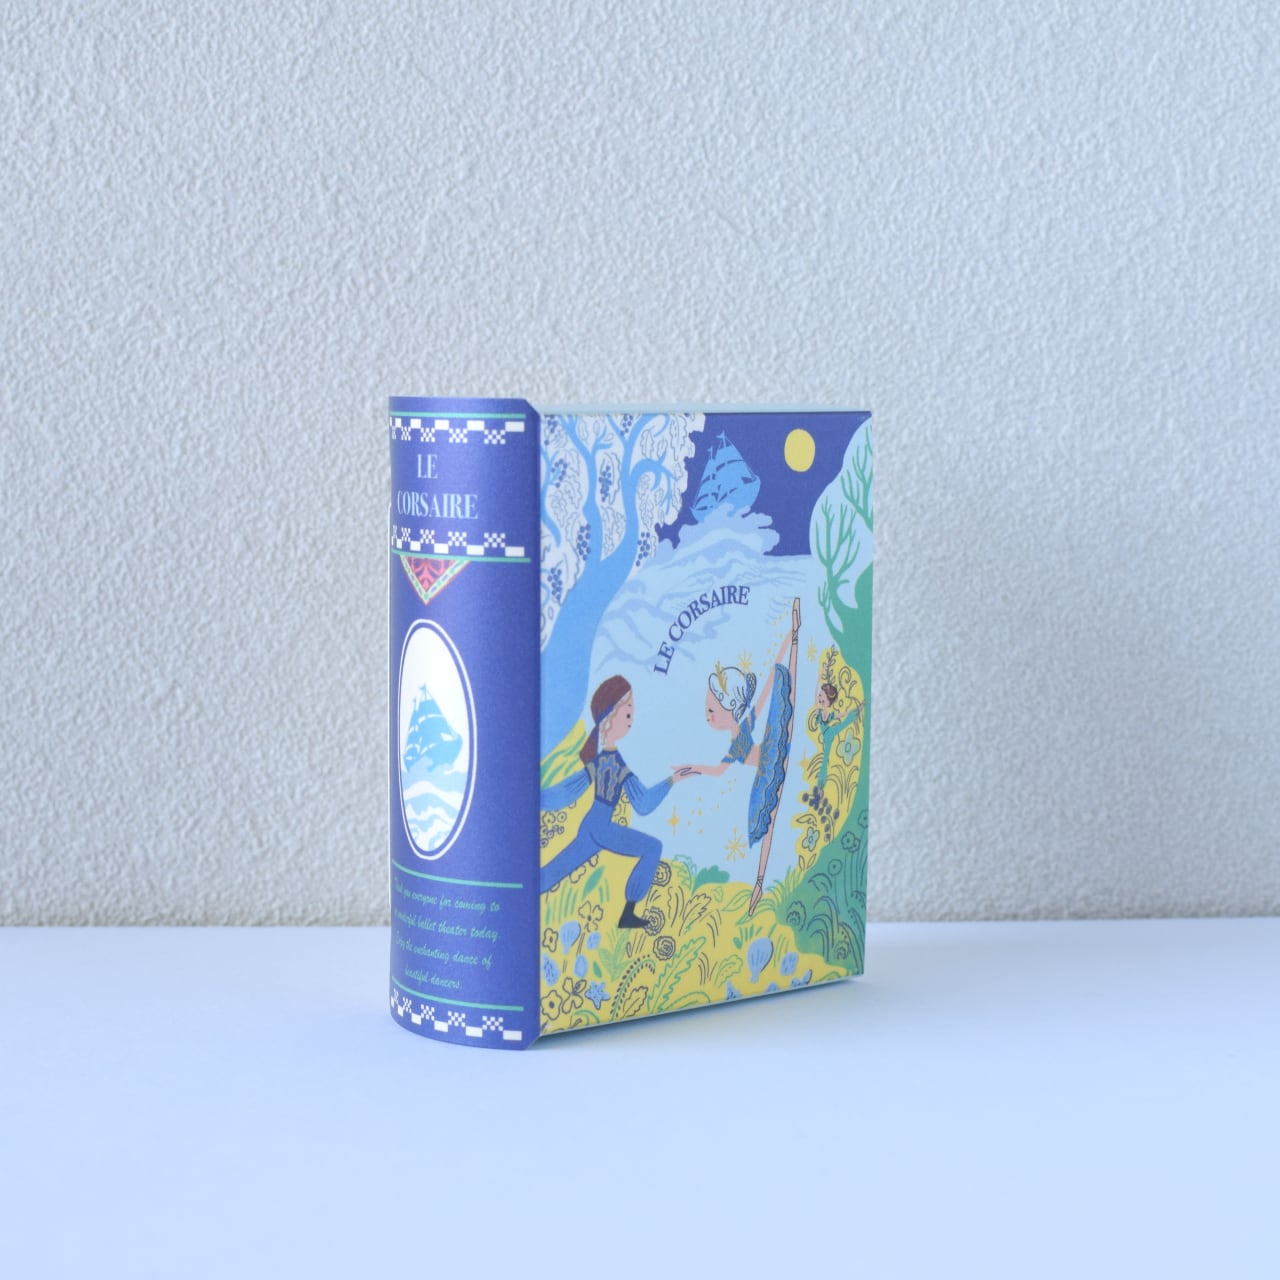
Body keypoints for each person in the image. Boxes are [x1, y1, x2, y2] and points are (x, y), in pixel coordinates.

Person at [678, 598, 801, 914]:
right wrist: (694, 768)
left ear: (729, 707)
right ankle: (758, 885)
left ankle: (797, 636)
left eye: (711, 710)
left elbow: (768, 687)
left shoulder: (744, 727)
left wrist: (789, 637)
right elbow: (718, 770)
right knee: (766, 825)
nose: (707, 716)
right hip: (767, 767)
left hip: (772, 753)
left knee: (786, 688)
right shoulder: (736, 742)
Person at [540, 676, 693, 928]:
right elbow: (642, 803)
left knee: (553, 872)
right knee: (652, 847)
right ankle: (628, 913)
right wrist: (671, 781)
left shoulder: (607, 760)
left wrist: (672, 780)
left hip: (592, 826)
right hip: (600, 829)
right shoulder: (612, 762)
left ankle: (520, 890)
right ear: (610, 717)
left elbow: (572, 789)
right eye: (628, 713)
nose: (631, 721)